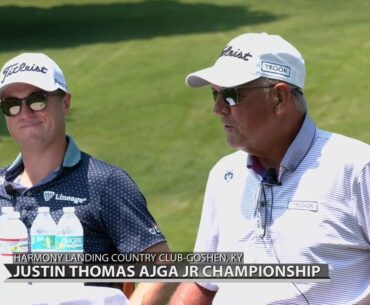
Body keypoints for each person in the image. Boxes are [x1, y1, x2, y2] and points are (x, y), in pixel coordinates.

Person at [170, 33, 370, 305]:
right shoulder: (224, 175)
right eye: (214, 94)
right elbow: (204, 283)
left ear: (278, 98)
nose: (217, 108)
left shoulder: (356, 168)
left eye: (230, 95)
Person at [0, 52, 175, 304]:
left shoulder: (104, 182)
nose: (24, 112)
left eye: (37, 100)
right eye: (11, 104)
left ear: (65, 102)